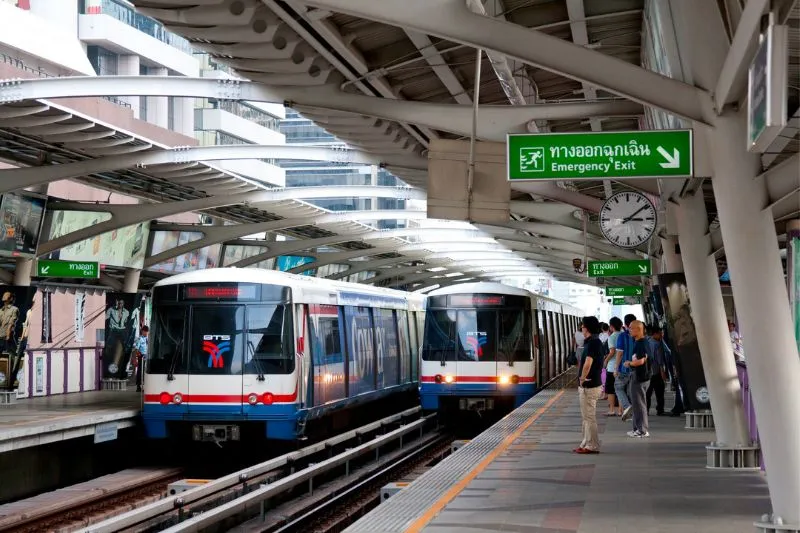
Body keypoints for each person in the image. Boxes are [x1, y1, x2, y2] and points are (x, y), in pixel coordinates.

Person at [574, 316, 604, 454]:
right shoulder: (591, 342)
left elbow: (588, 363)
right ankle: (585, 443)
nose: (581, 328)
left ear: (588, 327)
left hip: (590, 386)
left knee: (589, 417)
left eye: (583, 326)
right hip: (588, 386)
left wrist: (582, 378)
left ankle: (592, 445)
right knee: (586, 417)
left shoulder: (594, 343)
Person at [624, 320, 651, 438]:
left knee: (639, 404)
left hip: (640, 376)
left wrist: (630, 363)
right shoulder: (640, 342)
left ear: (639, 329)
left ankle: (642, 430)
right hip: (639, 376)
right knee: (636, 403)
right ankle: (637, 429)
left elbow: (641, 360)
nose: (629, 330)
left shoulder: (642, 343)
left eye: (631, 328)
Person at [613, 314, 637, 421]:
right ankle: (635, 414)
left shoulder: (622, 336)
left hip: (625, 369)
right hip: (637, 370)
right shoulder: (640, 335)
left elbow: (619, 354)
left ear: (625, 324)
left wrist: (615, 368)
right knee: (632, 391)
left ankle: (627, 407)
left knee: (618, 388)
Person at [646, 325, 668, 416]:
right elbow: (660, 360)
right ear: (655, 334)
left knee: (648, 392)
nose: (661, 335)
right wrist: (663, 372)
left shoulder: (647, 341)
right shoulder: (658, 344)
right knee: (660, 392)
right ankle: (660, 409)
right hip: (656, 371)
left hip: (648, 371)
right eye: (660, 333)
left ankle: (646, 410)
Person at [604, 317, 623, 416]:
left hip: (612, 367)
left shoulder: (611, 337)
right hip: (622, 367)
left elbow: (612, 352)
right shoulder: (624, 336)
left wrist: (606, 360)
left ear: (611, 327)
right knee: (620, 389)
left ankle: (611, 410)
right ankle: (620, 410)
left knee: (611, 390)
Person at [0, 291, 19, 356]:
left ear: (11, 298)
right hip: (0, 336)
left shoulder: (14, 309)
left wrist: (8, 335)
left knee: (13, 355)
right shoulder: (1, 310)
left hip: (8, 336)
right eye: (3, 294)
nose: (4, 296)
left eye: (6, 295)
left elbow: (12, 323)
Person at [132, 325, 149, 392]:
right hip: (141, 356)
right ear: (142, 331)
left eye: (147, 332)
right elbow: (136, 349)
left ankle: (145, 386)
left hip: (146, 357)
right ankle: (138, 386)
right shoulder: (140, 339)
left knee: (145, 372)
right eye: (145, 332)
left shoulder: (147, 338)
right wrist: (135, 358)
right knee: (140, 371)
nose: (146, 333)